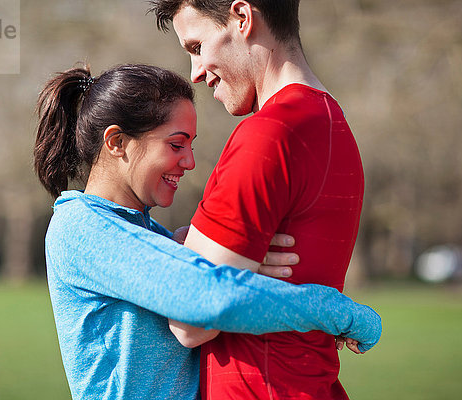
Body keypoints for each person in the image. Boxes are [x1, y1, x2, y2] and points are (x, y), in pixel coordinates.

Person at [34, 63, 380, 400]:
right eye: (176, 144)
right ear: (117, 142)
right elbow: (205, 299)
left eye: (191, 145)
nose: (189, 161)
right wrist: (337, 312)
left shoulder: (150, 235)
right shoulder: (78, 226)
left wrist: (224, 257)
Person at [149, 1, 369, 399]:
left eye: (197, 47)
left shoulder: (268, 135)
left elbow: (189, 321)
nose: (196, 74)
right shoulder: (332, 123)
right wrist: (210, 254)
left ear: (243, 18)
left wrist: (200, 260)